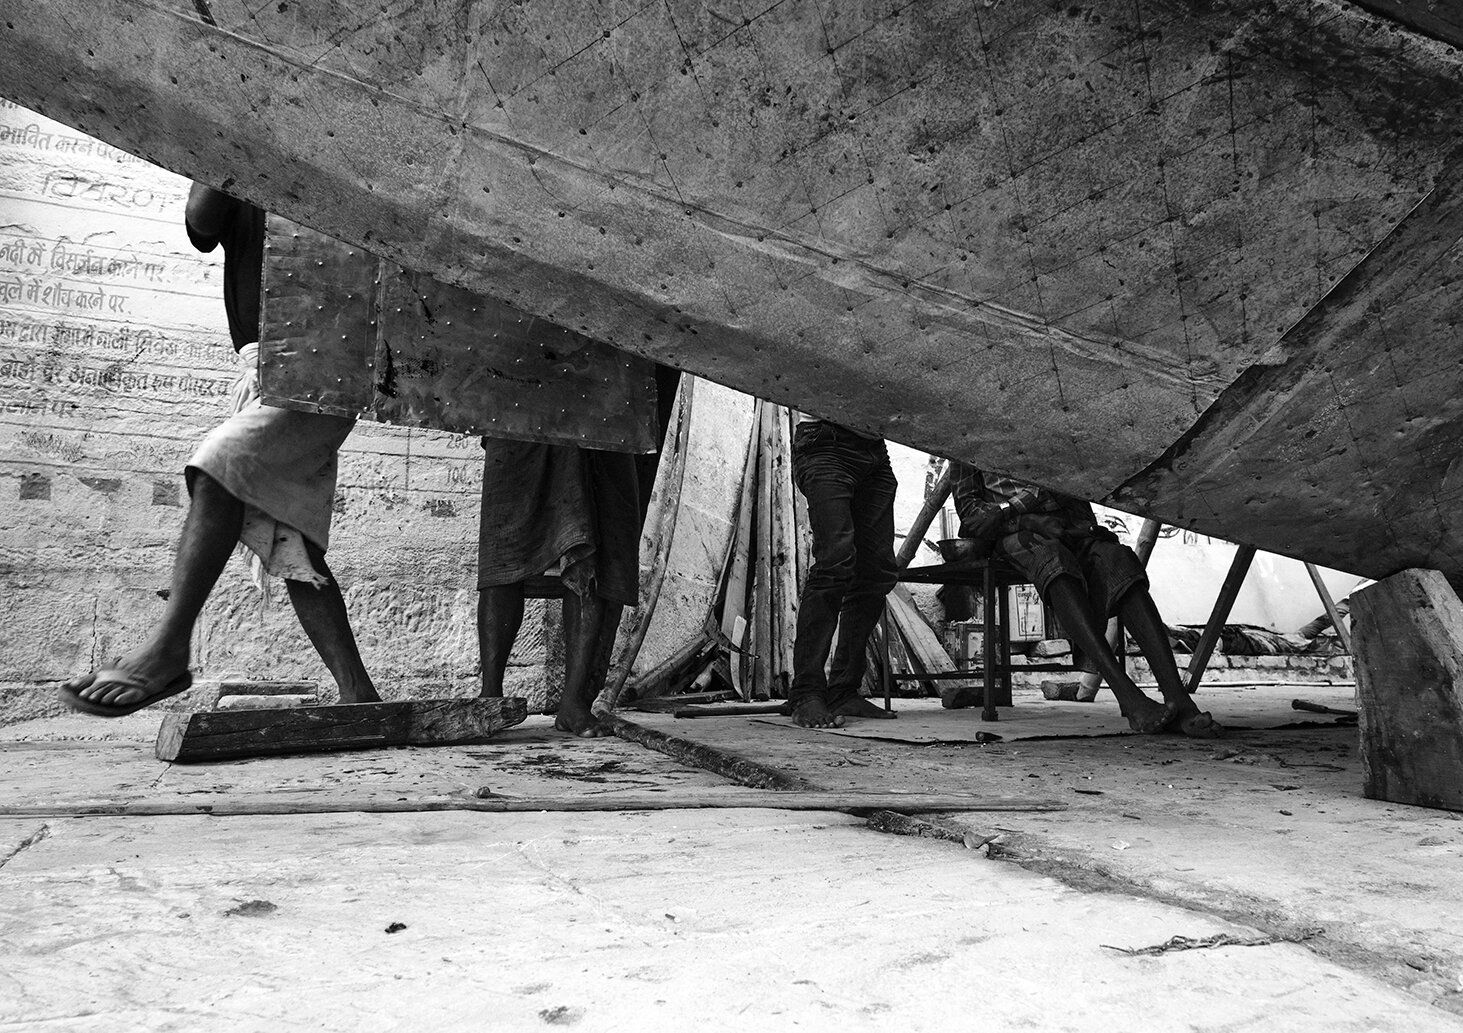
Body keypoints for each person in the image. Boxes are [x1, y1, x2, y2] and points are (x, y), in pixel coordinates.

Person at [59, 183, 380, 716]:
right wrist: (240, 123)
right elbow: (200, 219)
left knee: (220, 465)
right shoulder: (247, 176)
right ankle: (357, 691)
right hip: (261, 370)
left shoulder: (346, 182)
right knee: (290, 538)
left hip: (324, 366)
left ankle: (167, 650)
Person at [949, 462, 1222, 738]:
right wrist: (1026, 519)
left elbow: (1075, 485)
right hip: (1015, 534)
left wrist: (1079, 526)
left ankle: (1177, 696)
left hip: (1069, 526)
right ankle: (1127, 695)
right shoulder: (967, 439)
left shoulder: (1046, 425)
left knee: (1120, 562)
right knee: (1054, 561)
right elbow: (972, 519)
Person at [476, 367, 679, 737]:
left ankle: (573, 703)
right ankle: (489, 697)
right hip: (522, 397)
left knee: (598, 550)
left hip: (609, 401)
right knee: (504, 547)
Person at [785, 418, 900, 729]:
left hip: (875, 450)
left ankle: (843, 690)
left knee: (877, 573)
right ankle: (807, 691)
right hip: (825, 443)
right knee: (835, 563)